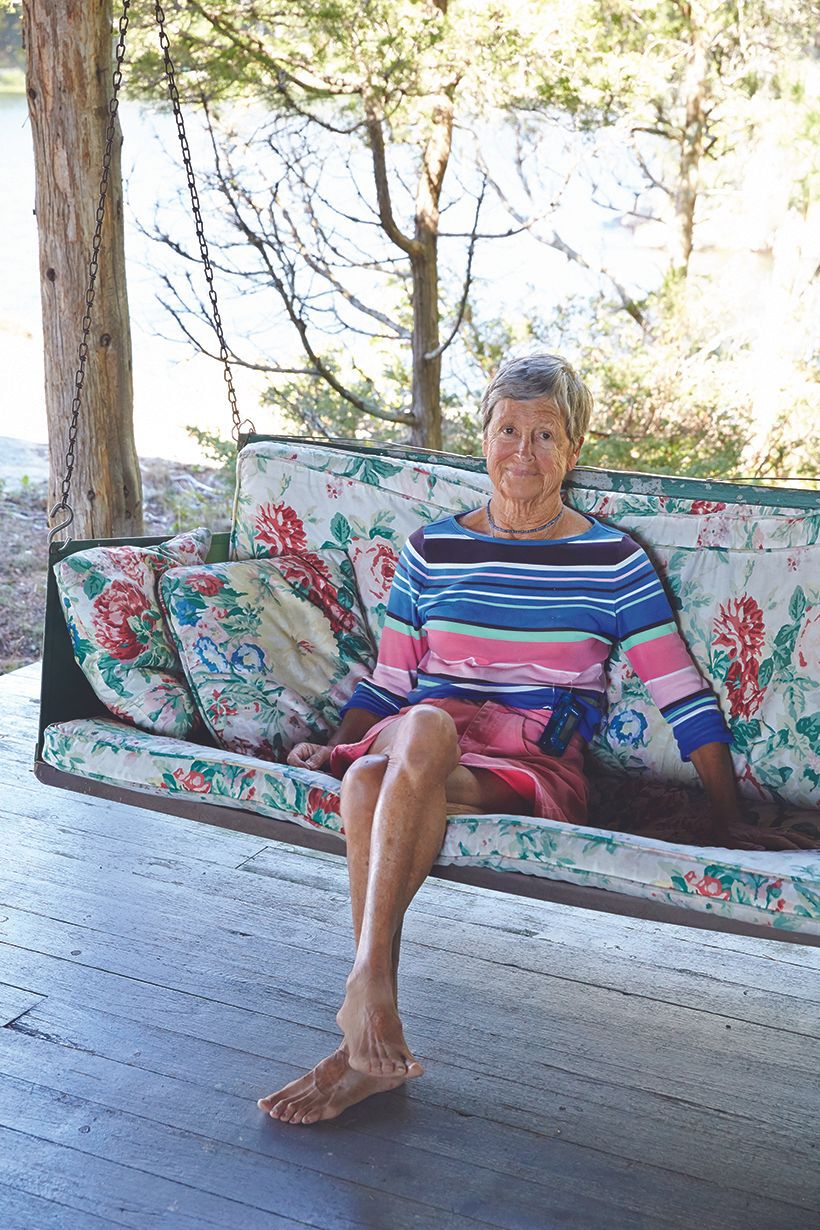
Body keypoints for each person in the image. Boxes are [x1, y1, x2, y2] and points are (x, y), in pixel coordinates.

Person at [258, 353, 813, 1127]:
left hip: (528, 761)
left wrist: (724, 816)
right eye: (508, 429)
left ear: (573, 448)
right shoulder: (430, 552)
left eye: (545, 434)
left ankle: (366, 995)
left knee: (390, 763)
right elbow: (390, 684)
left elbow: (680, 692)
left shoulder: (613, 561)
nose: (524, 451)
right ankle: (371, 1020)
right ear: (483, 437)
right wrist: (336, 743)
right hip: (413, 740)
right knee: (387, 752)